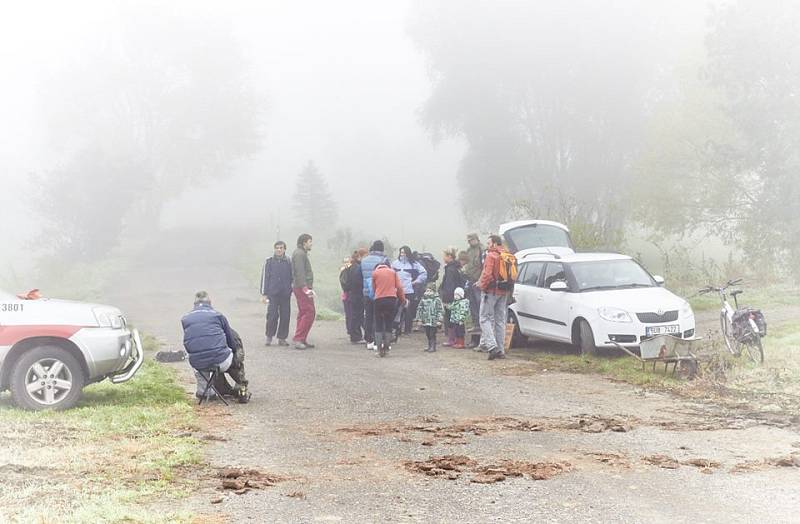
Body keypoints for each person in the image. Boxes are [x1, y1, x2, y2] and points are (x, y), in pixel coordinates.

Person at [181, 291, 250, 403]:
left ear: (194, 304)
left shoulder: (185, 319)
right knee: (230, 350)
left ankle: (205, 391)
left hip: (198, 364)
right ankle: (241, 385)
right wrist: (233, 354)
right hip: (220, 362)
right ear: (210, 303)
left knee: (200, 353)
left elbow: (190, 342)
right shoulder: (218, 315)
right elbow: (231, 340)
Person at [478, 235, 511, 360]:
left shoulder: (491, 256)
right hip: (504, 291)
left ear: (495, 244)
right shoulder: (507, 255)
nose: (487, 245)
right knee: (500, 320)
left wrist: (482, 286)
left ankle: (492, 347)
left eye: (489, 243)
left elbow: (487, 274)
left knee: (484, 318)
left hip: (490, 291)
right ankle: (501, 350)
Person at [260, 240, 293, 346]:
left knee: (285, 316)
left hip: (285, 294)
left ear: (284, 249)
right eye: (277, 248)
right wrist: (264, 294)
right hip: (272, 293)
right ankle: (269, 336)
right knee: (272, 316)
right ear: (274, 249)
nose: (279, 250)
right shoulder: (269, 261)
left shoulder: (288, 261)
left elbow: (292, 277)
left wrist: (292, 289)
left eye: (281, 248)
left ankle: (282, 338)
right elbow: (265, 277)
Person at [371, 261, 406, 357]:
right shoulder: (393, 272)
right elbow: (399, 287)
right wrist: (403, 299)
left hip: (379, 300)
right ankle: (386, 348)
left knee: (378, 323)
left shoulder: (375, 273)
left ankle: (379, 350)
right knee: (388, 323)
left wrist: (376, 295)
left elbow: (373, 288)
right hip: (391, 299)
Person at [391, 246, 427, 338]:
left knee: (408, 311)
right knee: (396, 310)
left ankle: (407, 329)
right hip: (397, 291)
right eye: (401, 252)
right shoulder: (395, 264)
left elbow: (424, 273)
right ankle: (396, 328)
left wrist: (416, 281)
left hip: (409, 290)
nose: (402, 254)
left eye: (404, 253)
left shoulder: (414, 264)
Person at [361, 240, 390, 350]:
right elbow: (389, 275)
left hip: (366, 292)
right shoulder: (384, 260)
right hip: (380, 292)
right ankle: (378, 339)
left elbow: (361, 275)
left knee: (368, 315)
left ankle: (369, 339)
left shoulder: (364, 260)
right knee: (378, 316)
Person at [292, 233, 316, 349]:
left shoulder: (301, 253)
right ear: (304, 242)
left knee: (303, 312)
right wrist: (305, 287)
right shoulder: (299, 254)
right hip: (302, 287)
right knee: (309, 312)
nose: (311, 244)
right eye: (310, 241)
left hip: (302, 286)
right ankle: (298, 338)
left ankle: (302, 338)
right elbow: (299, 271)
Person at [439, 247, 466, 347]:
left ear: (449, 256)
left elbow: (449, 285)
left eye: (444, 255)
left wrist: (447, 297)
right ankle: (454, 339)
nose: (443, 258)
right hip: (458, 296)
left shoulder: (450, 269)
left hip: (452, 297)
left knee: (452, 318)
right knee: (455, 318)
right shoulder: (456, 268)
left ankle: (457, 340)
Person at [463, 233, 485, 348]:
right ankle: (474, 339)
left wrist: (481, 281)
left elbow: (484, 267)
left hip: (479, 283)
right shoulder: (468, 250)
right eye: (468, 240)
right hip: (470, 281)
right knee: (473, 309)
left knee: (480, 308)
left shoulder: (482, 250)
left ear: (476, 239)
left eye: (471, 240)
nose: (469, 242)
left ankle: (482, 340)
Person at [342, 248, 368, 343]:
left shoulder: (352, 266)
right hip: (356, 294)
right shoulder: (356, 267)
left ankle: (356, 335)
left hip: (352, 294)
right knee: (357, 315)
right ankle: (356, 336)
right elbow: (356, 282)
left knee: (356, 315)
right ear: (359, 256)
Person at [416, 286, 444, 352]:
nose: (428, 292)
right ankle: (429, 345)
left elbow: (440, 310)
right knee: (427, 333)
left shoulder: (437, 299)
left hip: (434, 320)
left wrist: (439, 320)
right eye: (427, 291)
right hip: (425, 320)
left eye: (430, 291)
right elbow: (419, 309)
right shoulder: (423, 300)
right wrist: (419, 319)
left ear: (434, 292)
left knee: (432, 334)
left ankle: (433, 346)